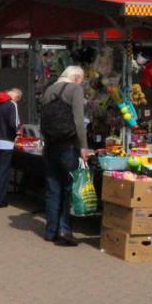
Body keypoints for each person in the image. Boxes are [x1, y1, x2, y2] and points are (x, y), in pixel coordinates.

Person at [41, 67, 90, 247]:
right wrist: (83, 146)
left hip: (50, 145)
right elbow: (79, 120)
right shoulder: (75, 89)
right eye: (82, 80)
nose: (82, 84)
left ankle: (50, 231)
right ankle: (65, 230)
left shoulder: (49, 90)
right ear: (76, 77)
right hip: (68, 145)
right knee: (69, 188)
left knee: (53, 188)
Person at [0, 89, 22, 208]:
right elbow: (14, 123)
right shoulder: (12, 105)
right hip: (6, 142)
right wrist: (17, 133)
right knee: (3, 171)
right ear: (16, 96)